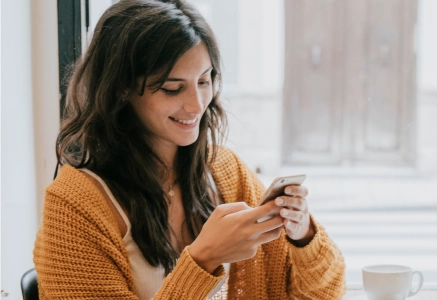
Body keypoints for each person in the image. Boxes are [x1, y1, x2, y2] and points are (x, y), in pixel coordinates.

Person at [33, 0, 346, 299]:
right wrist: (203, 260)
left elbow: (323, 293)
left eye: (204, 80)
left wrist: (302, 234)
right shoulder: (74, 207)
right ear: (122, 87)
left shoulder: (225, 171)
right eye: (172, 88)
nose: (197, 104)